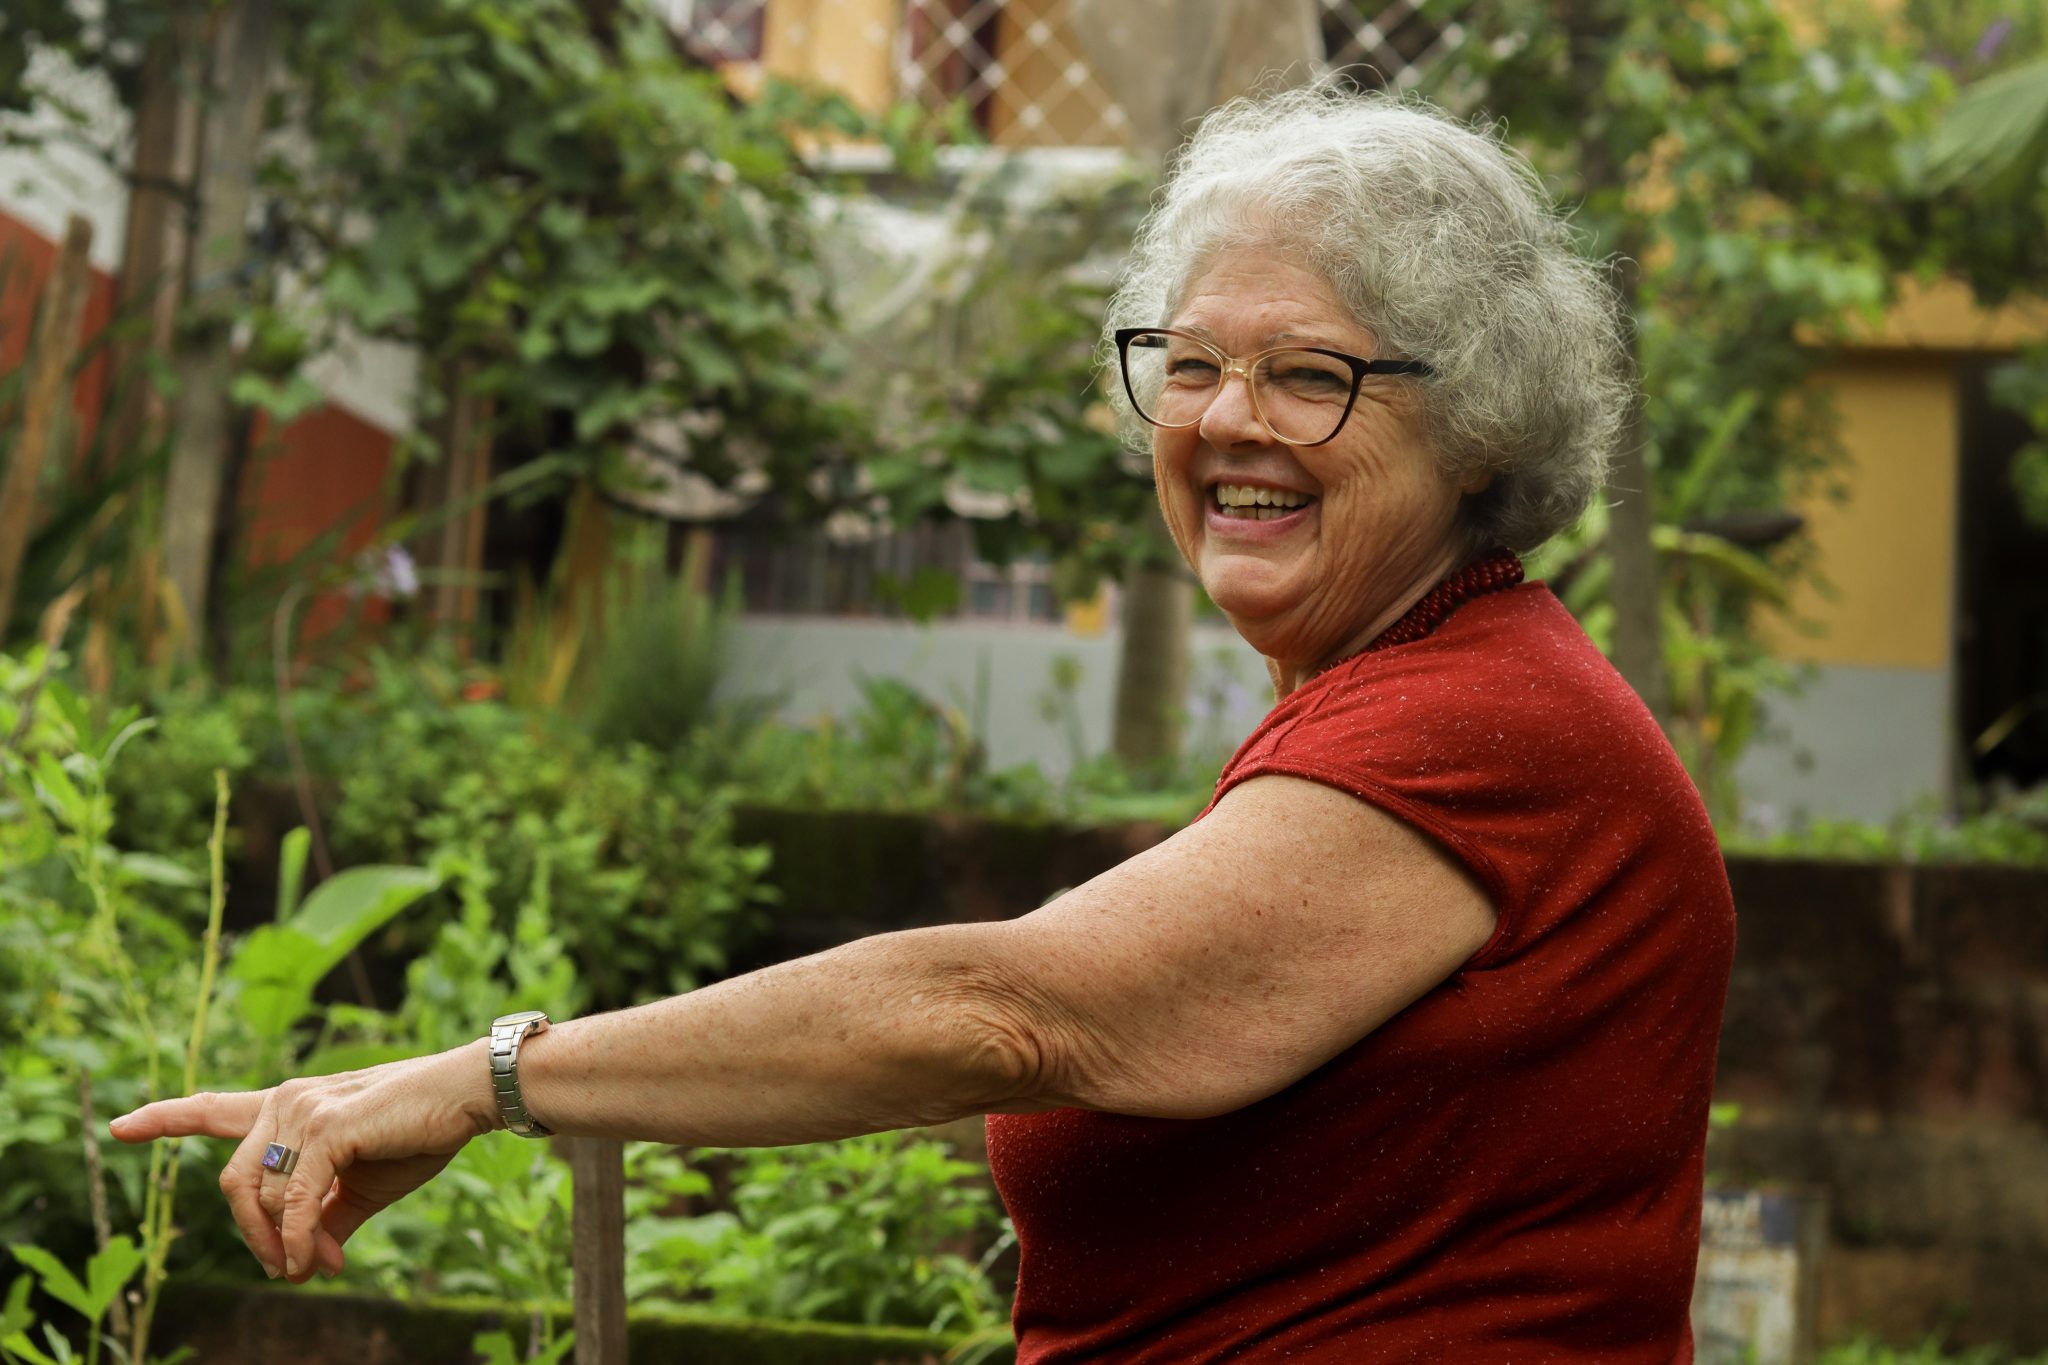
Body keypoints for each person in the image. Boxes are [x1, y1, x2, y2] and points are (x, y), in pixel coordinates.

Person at [114, 86, 1735, 1362]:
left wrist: (488, 1078)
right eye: (1187, 363)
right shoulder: (1411, 692)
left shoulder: (1492, 727)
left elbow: (1000, 1010)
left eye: (1309, 373)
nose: (1228, 418)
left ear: (1473, 427)